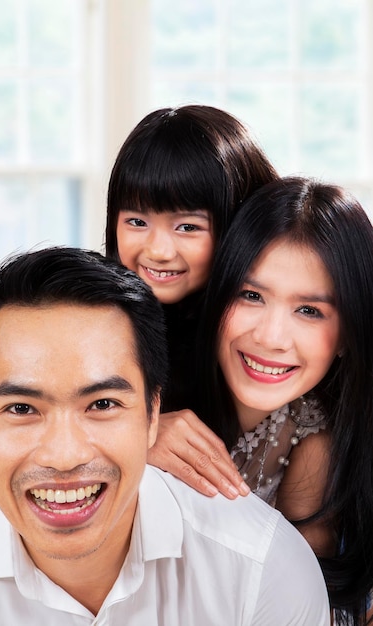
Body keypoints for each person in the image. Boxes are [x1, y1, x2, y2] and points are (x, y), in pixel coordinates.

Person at [0, 247, 330, 625]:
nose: (64, 455)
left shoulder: (262, 569)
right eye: (21, 409)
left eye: (102, 404)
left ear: (154, 415)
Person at [182, 177, 373, 624]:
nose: (270, 337)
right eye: (251, 295)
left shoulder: (318, 443)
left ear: (346, 334)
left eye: (309, 310)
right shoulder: (146, 384)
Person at [106, 103, 278, 497]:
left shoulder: (264, 337)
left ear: (236, 225)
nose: (158, 250)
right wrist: (139, 431)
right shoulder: (93, 314)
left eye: (187, 226)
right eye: (136, 221)